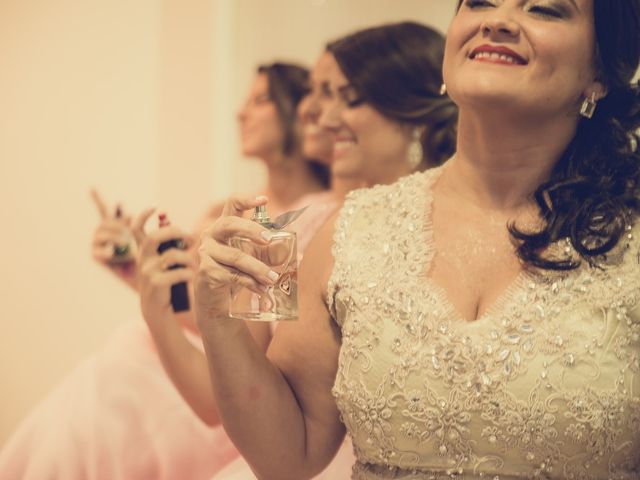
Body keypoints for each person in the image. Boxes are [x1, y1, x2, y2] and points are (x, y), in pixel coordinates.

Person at [194, 1, 640, 479]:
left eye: (544, 9)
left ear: (599, 71)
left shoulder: (628, 237)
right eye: (479, 2)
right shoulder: (353, 232)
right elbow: (287, 456)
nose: (497, 20)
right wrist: (219, 319)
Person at [0, 62, 329, 480]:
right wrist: (136, 272)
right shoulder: (223, 213)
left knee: (118, 376)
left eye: (260, 100)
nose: (240, 113)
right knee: (119, 363)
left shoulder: (316, 216)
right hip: (201, 363)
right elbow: (205, 313)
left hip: (242, 392)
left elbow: (250, 334)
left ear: (303, 113)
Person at [208, 22, 457, 479]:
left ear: (414, 107)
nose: (320, 116)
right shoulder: (317, 223)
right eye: (322, 94)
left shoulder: (456, 223)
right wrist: (194, 305)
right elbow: (259, 368)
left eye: (348, 96)